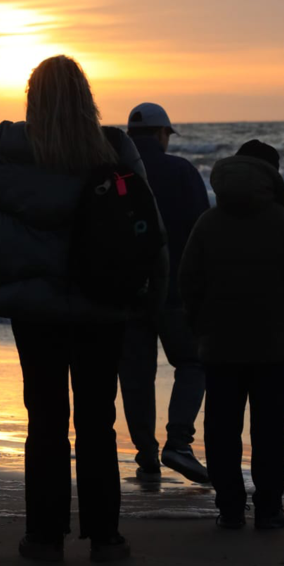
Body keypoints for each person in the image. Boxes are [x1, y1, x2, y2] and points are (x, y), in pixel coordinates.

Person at [0, 55, 168, 563]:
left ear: (32, 97)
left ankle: (44, 537)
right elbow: (149, 228)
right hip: (103, 305)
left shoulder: (5, 146)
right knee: (97, 421)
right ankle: (105, 538)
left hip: (36, 308)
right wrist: (154, 300)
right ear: (86, 96)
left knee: (44, 418)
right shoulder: (114, 145)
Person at [180, 140, 284, 531]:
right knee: (270, 431)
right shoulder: (282, 222)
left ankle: (231, 510)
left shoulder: (209, 221)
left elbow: (188, 280)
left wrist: (199, 323)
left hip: (219, 345)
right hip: (273, 345)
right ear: (271, 177)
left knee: (221, 430)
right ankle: (269, 509)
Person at [119, 103, 211, 485]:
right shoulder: (182, 171)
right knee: (192, 364)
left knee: (136, 375)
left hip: (126, 294)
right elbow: (202, 231)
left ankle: (146, 454)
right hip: (175, 290)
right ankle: (178, 441)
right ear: (162, 135)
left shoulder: (116, 175)